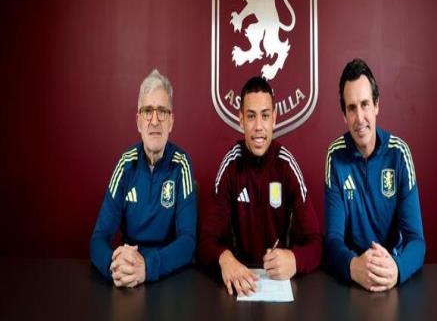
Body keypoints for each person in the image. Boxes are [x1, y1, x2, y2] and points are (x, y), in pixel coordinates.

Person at [198, 76, 322, 296]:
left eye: (265, 116)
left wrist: (295, 259)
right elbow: (205, 241)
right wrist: (224, 258)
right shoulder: (230, 165)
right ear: (241, 120)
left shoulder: (286, 165)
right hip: (241, 285)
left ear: (274, 118)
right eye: (251, 116)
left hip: (278, 284)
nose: (258, 127)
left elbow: (316, 243)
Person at [324, 58, 425, 292]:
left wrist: (397, 268)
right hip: (352, 281)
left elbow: (416, 241)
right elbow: (332, 239)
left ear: (377, 105)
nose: (360, 118)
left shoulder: (399, 154)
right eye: (352, 108)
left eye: (365, 104)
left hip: (392, 276)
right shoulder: (335, 156)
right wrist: (352, 266)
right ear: (344, 114)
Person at [90, 69, 196, 287]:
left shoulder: (182, 164)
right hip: (127, 277)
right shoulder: (125, 164)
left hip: (167, 279)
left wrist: (147, 267)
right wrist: (113, 266)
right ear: (138, 121)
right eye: (148, 111)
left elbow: (188, 242)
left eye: (162, 112)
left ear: (171, 121)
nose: (154, 121)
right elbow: (99, 237)